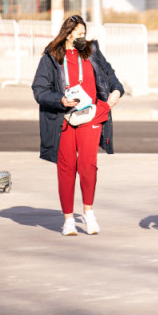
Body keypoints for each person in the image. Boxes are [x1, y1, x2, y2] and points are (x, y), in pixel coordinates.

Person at [32, 15, 124, 236]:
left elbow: (110, 75)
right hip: (63, 118)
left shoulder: (92, 52)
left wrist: (116, 91)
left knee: (87, 166)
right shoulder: (52, 56)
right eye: (80, 34)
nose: (84, 38)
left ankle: (89, 213)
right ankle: (68, 220)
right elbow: (39, 90)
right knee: (66, 169)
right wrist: (60, 100)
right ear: (68, 33)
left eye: (85, 34)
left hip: (90, 116)